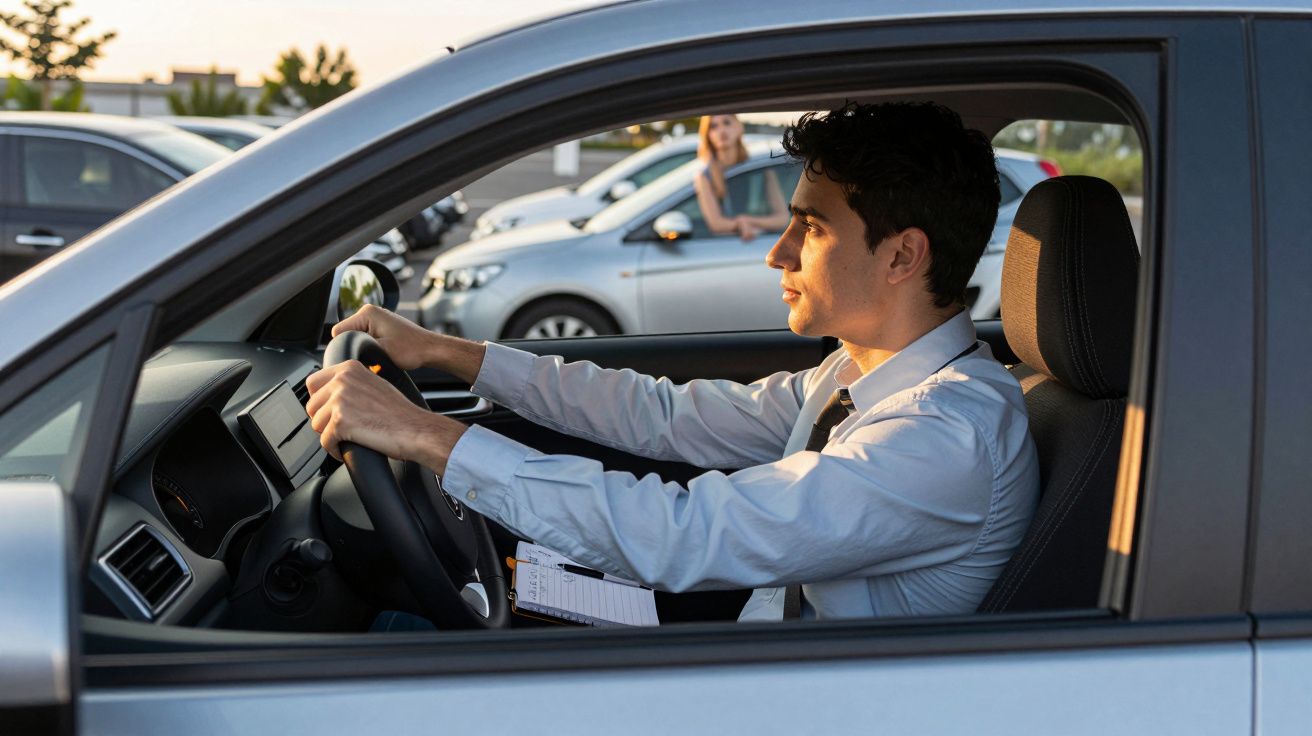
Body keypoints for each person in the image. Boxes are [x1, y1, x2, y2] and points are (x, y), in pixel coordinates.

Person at [305, 102, 1039, 621]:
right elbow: (661, 415)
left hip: (780, 702)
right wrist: (442, 352)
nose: (776, 252)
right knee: (500, 597)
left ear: (903, 255)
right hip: (746, 650)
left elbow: (686, 535)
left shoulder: (945, 437)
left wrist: (425, 436)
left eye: (809, 228)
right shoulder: (855, 378)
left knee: (398, 638)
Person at [693, 113, 789, 241]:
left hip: (763, 242)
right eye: (713, 126)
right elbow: (716, 224)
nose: (721, 131)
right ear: (707, 135)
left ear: (739, 127)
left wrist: (745, 221)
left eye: (727, 123)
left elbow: (782, 218)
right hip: (723, 246)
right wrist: (740, 225)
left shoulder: (760, 169)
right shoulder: (704, 176)